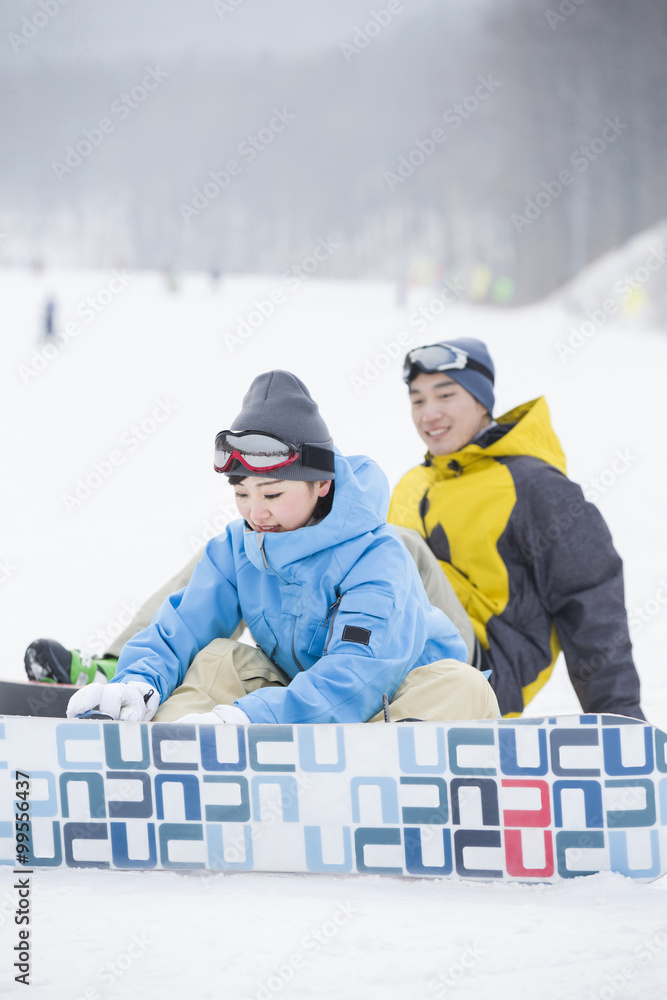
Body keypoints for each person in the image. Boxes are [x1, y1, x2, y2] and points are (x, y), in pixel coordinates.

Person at [65, 370, 498, 724]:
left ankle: (397, 788)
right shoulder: (240, 547)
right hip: (304, 708)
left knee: (462, 685)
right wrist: (141, 679)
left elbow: (358, 676)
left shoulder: (375, 556)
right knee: (217, 658)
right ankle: (164, 748)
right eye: (241, 494)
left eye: (272, 495)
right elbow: (182, 625)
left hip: (393, 707)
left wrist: (255, 720)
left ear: (322, 483)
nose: (256, 513)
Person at [388, 338, 644, 720]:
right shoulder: (413, 484)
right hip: (397, 654)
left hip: (482, 669)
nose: (429, 414)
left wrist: (620, 718)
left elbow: (589, 597)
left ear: (481, 401)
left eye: (445, 395)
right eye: (418, 400)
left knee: (393, 547)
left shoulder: (534, 485)